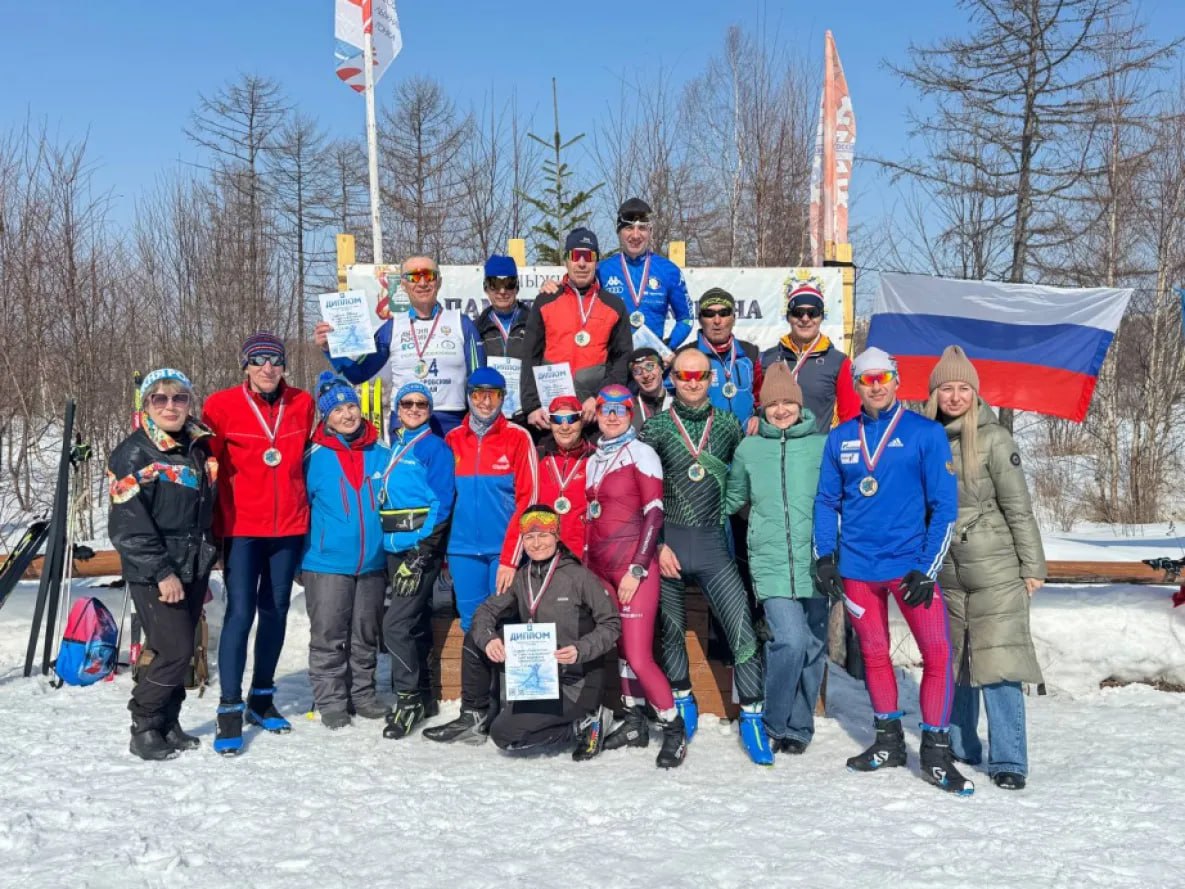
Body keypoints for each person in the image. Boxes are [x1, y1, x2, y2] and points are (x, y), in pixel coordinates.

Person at [812, 347, 970, 794]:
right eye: (866, 380)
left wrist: (927, 567)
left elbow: (944, 507)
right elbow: (826, 501)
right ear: (857, 386)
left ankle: (937, 752)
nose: (875, 386)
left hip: (909, 569)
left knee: (937, 654)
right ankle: (889, 742)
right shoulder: (841, 437)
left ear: (897, 381)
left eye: (882, 378)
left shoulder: (925, 433)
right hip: (860, 569)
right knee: (876, 655)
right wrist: (826, 555)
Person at [639, 346, 771, 765]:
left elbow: (752, 472)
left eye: (699, 376)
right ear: (671, 378)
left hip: (714, 548)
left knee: (742, 632)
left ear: (711, 379)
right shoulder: (656, 428)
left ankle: (752, 717)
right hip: (669, 548)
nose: (692, 383)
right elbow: (640, 496)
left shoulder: (730, 425)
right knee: (670, 632)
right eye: (683, 376)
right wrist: (656, 546)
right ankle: (683, 700)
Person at [923, 345, 1046, 791]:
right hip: (948, 572)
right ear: (933, 392)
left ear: (975, 393)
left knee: (998, 664)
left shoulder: (995, 439)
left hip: (996, 570)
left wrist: (1032, 565)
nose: (954, 397)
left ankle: (1009, 759)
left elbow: (1019, 507)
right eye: (946, 388)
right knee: (955, 662)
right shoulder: (925, 435)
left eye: (962, 389)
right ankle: (961, 745)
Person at [423, 506, 621, 759]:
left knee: (505, 736)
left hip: (574, 683)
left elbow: (612, 624)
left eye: (544, 535)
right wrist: (490, 640)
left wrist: (581, 649)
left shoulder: (580, 577)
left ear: (557, 535)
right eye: (529, 537)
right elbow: (485, 613)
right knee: (476, 638)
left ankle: (586, 724)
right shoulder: (522, 578)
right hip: (537, 681)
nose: (536, 543)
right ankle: (474, 715)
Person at [202, 332, 316, 756]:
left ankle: (261, 697)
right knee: (240, 612)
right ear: (245, 366)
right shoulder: (221, 405)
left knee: (276, 611)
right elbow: (204, 464)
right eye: (258, 360)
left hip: (288, 525)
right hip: (241, 527)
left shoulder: (302, 403)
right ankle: (229, 707)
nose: (267, 368)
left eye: (275, 360)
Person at [108, 369, 218, 760]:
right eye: (160, 399)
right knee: (174, 650)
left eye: (179, 398)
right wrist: (162, 572)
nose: (170, 406)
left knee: (180, 650)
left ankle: (168, 722)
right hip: (157, 570)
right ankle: (143, 723)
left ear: (190, 402)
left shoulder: (197, 446)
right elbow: (128, 525)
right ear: (147, 406)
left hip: (192, 564)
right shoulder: (134, 453)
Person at [725, 363, 827, 755]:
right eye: (773, 404)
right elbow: (733, 498)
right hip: (769, 560)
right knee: (790, 640)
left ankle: (799, 728)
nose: (780, 410)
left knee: (815, 645)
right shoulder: (750, 448)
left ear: (799, 405)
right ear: (762, 408)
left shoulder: (821, 445)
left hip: (816, 560)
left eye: (788, 402)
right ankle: (774, 719)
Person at [584, 385, 686, 768]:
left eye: (621, 410)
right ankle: (633, 720)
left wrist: (638, 567)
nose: (612, 416)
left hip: (632, 565)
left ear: (631, 413)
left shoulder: (641, 453)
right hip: (600, 568)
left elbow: (655, 513)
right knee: (621, 650)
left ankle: (673, 729)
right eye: (605, 409)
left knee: (640, 656)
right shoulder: (595, 457)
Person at [300, 373, 391, 730]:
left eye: (351, 405)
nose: (347, 414)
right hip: (325, 563)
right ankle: (332, 700)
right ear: (326, 416)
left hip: (372, 563)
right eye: (337, 409)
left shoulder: (381, 453)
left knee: (365, 635)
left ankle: (364, 695)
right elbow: (299, 508)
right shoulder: (312, 456)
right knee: (328, 636)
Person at [314, 255, 484, 436]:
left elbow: (479, 379)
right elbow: (358, 373)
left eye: (429, 275)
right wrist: (329, 349)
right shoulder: (391, 328)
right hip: (405, 421)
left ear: (439, 282)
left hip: (450, 420)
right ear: (403, 284)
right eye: (413, 277)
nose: (422, 283)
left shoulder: (462, 323)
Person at [379, 381, 457, 739]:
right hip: (394, 546)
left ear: (430, 410)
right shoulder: (395, 445)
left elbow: (442, 502)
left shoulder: (433, 448)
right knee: (415, 620)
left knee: (395, 625)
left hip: (417, 548)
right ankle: (424, 695)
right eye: (407, 403)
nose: (413, 408)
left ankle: (407, 698)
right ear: (397, 408)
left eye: (421, 404)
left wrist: (423, 553)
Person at [445, 367, 538, 631]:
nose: (486, 402)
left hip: (501, 551)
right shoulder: (452, 440)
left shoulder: (518, 437)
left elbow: (528, 501)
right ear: (469, 397)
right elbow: (442, 500)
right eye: (478, 395)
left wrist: (510, 557)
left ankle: (505, 675)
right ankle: (477, 675)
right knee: (472, 625)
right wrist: (443, 553)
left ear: (502, 398)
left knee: (505, 622)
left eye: (493, 395)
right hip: (462, 552)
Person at [520, 228, 634, 429]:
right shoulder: (545, 301)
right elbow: (530, 356)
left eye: (588, 256)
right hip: (552, 416)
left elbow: (622, 360)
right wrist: (531, 407)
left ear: (596, 261)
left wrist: (601, 397)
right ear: (566, 260)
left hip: (593, 414)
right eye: (576, 256)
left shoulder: (614, 306)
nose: (582, 263)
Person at [759, 283, 860, 435]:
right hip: (773, 452)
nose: (805, 319)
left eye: (813, 312)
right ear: (788, 317)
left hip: (816, 453)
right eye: (798, 312)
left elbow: (851, 418)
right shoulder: (768, 358)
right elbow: (756, 408)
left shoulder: (838, 362)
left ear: (821, 317)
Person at [597, 197, 694, 349]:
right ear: (619, 231)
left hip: (652, 365)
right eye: (629, 228)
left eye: (642, 228)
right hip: (615, 364)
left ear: (650, 232)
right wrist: (556, 286)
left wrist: (667, 347)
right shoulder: (601, 270)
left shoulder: (669, 270)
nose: (635, 235)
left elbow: (686, 319)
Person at [475, 254, 530, 426]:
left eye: (509, 284)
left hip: (527, 415)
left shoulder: (535, 323)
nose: (502, 291)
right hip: (489, 413)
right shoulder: (476, 329)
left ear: (517, 287)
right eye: (495, 284)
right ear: (486, 287)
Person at [695, 288, 763, 425]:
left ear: (733, 318)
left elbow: (760, 396)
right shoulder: (688, 355)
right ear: (700, 319)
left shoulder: (750, 352)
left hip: (746, 441)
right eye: (709, 314)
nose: (717, 320)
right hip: (705, 442)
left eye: (724, 313)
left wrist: (758, 415)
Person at [535, 395, 591, 558]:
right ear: (550, 424)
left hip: (583, 553)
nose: (565, 426)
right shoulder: (538, 456)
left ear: (581, 421)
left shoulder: (595, 457)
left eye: (572, 419)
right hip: (544, 551)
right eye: (558, 420)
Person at [627, 347, 672, 430]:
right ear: (633, 377)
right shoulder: (628, 411)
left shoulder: (678, 405)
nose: (645, 375)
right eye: (637, 371)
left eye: (650, 366)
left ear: (661, 369)